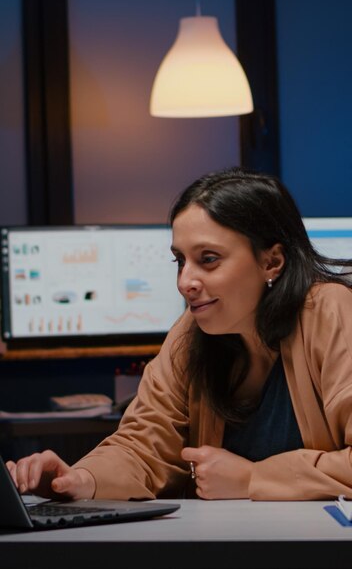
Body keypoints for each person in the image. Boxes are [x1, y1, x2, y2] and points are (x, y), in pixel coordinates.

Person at [7, 166, 352, 501]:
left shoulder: (329, 311)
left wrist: (253, 478)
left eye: (209, 259)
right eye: (180, 261)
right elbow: (143, 447)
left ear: (272, 262)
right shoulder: (192, 329)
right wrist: (79, 480)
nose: (185, 282)